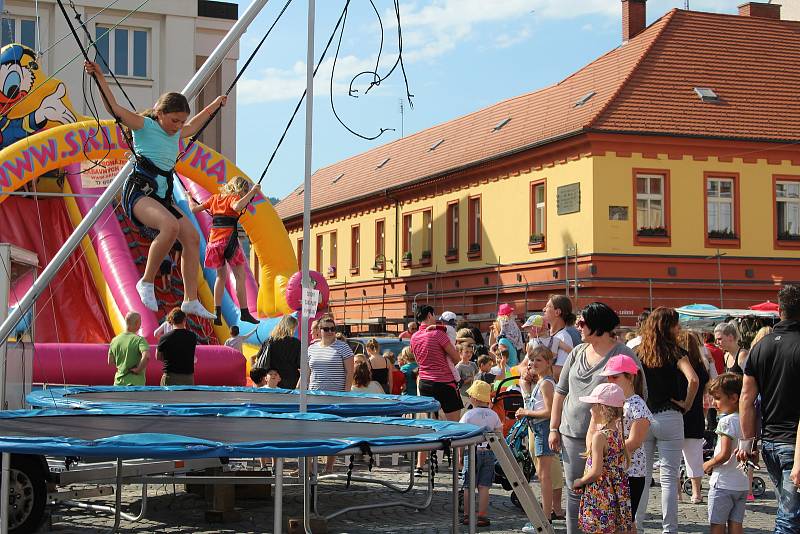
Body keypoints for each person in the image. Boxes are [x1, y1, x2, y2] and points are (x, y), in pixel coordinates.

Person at [85, 60, 221, 320]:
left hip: (161, 196)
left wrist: (215, 105)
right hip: (139, 192)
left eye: (181, 122)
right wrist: (100, 77)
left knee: (192, 238)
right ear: (159, 114)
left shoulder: (177, 133)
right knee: (170, 227)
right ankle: (146, 281)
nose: (178, 126)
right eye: (174, 121)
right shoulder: (143, 126)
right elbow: (114, 107)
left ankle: (190, 299)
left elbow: (195, 125)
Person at [548, 302, 643, 534]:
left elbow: (638, 396)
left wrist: (622, 441)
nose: (578, 327)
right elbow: (561, 392)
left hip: (607, 440)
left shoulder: (622, 355)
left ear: (597, 326)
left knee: (606, 494)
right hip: (572, 434)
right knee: (574, 490)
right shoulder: (578, 352)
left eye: (582, 323)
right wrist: (554, 427)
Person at [739, 285, 800, 533]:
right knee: (789, 518)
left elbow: (746, 398)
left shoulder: (761, 347)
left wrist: (748, 443)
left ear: (780, 310)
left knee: (791, 512)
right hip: (793, 444)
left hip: (771, 443)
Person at [636, 307, 699, 534]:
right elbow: (693, 379)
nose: (679, 328)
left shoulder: (639, 352)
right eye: (676, 324)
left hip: (644, 417)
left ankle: (637, 525)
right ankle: (669, 529)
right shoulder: (676, 352)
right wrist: (687, 403)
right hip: (670, 415)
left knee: (642, 476)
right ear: (669, 326)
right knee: (669, 477)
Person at [189, 176, 261, 325]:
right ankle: (244, 312)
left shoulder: (214, 198)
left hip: (214, 243)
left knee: (220, 277)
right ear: (240, 189)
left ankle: (217, 312)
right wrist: (252, 193)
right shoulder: (232, 198)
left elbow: (193, 209)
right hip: (229, 242)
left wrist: (189, 197)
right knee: (240, 277)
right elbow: (236, 207)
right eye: (244, 191)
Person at [600, 354, 652, 529]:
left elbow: (635, 441)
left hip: (631, 472)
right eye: (608, 376)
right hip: (616, 469)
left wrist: (606, 453)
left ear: (630, 377)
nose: (610, 380)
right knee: (619, 520)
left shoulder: (637, 404)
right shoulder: (615, 402)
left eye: (615, 376)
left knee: (625, 522)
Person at [573, 382, 633, 534]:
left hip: (600, 494)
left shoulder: (600, 437)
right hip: (616, 492)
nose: (591, 410)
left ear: (602, 408)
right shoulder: (618, 434)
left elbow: (596, 472)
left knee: (598, 529)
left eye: (593, 406)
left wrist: (580, 481)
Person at [516, 346, 562, 523]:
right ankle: (546, 513)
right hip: (538, 428)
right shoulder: (542, 381)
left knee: (544, 476)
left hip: (543, 429)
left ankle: (545, 516)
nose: (533, 363)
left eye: (539, 360)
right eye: (532, 359)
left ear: (548, 363)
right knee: (543, 474)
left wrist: (526, 412)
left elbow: (550, 412)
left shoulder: (546, 383)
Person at [704, 373, 748, 534]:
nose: (714, 403)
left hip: (723, 484)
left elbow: (724, 454)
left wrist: (708, 464)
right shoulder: (747, 419)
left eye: (717, 398)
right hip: (741, 484)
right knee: (736, 525)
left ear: (734, 398)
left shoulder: (726, 421)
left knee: (717, 525)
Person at [458, 380, 502, 527]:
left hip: (472, 452)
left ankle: (467, 515)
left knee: (468, 485)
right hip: (489, 452)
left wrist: (459, 456)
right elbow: (499, 434)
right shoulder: (494, 415)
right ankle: (482, 516)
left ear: (475, 399)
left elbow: (461, 437)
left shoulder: (469, 415)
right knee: (484, 486)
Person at [411, 305, 463, 421]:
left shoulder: (414, 337)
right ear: (429, 315)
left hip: (424, 383)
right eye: (434, 315)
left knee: (431, 424)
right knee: (454, 424)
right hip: (445, 383)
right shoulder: (438, 334)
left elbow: (418, 360)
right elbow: (456, 358)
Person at [679, 331, 711, 505]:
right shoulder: (701, 365)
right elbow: (707, 389)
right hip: (696, 414)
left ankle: (677, 493)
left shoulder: (676, 364)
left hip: (678, 412)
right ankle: (697, 493)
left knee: (673, 457)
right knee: (694, 456)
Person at [307, 315, 354, 392]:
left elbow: (350, 373)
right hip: (314, 395)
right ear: (319, 330)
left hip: (336, 396)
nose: (330, 332)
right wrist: (298, 390)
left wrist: (346, 394)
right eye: (326, 329)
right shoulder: (311, 348)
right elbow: (306, 373)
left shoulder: (344, 347)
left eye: (332, 329)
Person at [532, 295, 575, 380]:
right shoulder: (544, 335)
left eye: (548, 306)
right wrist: (525, 370)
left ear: (557, 312)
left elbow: (561, 371)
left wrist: (533, 372)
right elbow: (524, 364)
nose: (543, 309)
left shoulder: (564, 337)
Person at [254, 315, 300, 389]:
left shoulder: (269, 341)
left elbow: (259, 358)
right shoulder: (296, 343)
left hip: (273, 380)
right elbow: (300, 365)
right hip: (291, 381)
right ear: (292, 328)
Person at [156, 308, 198, 385]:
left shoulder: (165, 337)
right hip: (188, 377)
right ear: (184, 320)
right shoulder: (192, 336)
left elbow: (158, 357)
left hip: (170, 376)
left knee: (168, 397)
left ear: (171, 320)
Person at [107, 312, 150, 386]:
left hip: (118, 383)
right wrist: (138, 369)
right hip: (134, 384)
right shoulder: (139, 340)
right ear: (137, 323)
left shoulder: (115, 340)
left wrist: (122, 366)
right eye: (140, 322)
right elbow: (146, 356)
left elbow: (110, 361)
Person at [456, 341, 478, 408]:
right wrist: (468, 380)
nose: (469, 354)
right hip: (464, 395)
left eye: (471, 352)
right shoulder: (459, 367)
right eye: (466, 352)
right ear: (460, 353)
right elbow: (457, 383)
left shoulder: (473, 364)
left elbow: (478, 375)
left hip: (473, 395)